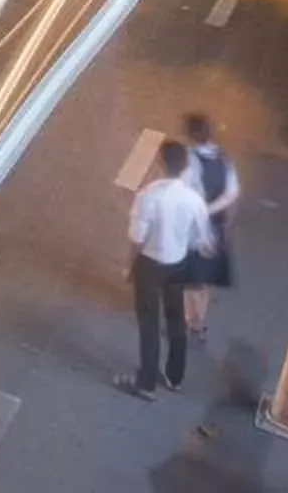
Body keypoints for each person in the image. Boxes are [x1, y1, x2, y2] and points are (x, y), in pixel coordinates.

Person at [119, 138, 215, 399]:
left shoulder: (148, 196)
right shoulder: (194, 200)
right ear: (185, 167)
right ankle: (175, 376)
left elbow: (137, 238)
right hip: (179, 264)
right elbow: (202, 240)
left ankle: (146, 383)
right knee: (176, 321)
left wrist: (130, 266)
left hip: (150, 264)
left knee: (149, 323)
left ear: (161, 164)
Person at [181, 114, 239, 338]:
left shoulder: (189, 160)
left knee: (191, 283)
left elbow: (182, 193)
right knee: (203, 282)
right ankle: (198, 322)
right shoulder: (224, 160)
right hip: (216, 228)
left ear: (191, 135)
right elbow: (232, 195)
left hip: (195, 229)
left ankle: (193, 323)